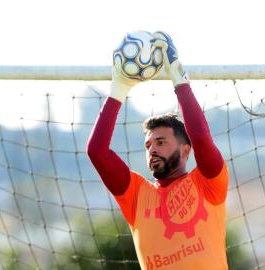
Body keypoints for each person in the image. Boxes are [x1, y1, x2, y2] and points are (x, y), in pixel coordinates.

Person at [87, 31, 229, 270]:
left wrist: (180, 81)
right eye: (148, 144)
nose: (152, 148)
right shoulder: (136, 195)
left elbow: (202, 140)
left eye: (161, 142)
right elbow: (97, 152)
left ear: (186, 151)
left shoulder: (208, 183)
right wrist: (119, 88)